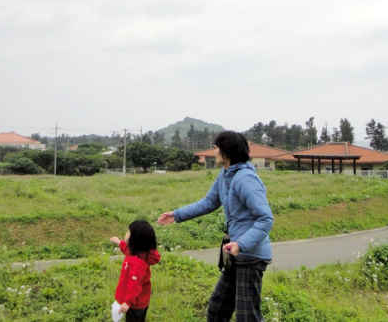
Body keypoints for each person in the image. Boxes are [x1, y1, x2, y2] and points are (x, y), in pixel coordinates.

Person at [158, 131, 273, 322]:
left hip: (250, 256)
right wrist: (177, 215)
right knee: (217, 310)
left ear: (227, 152)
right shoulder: (225, 175)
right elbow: (209, 202)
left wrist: (241, 244)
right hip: (234, 253)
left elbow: (266, 219)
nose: (214, 150)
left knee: (247, 317)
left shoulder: (245, 179)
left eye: (216, 147)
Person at [110, 220, 161, 322]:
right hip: (141, 300)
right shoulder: (140, 252)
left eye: (128, 232)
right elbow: (127, 249)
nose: (126, 233)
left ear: (135, 239)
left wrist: (127, 302)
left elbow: (135, 285)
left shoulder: (137, 264)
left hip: (135, 303)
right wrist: (119, 242)